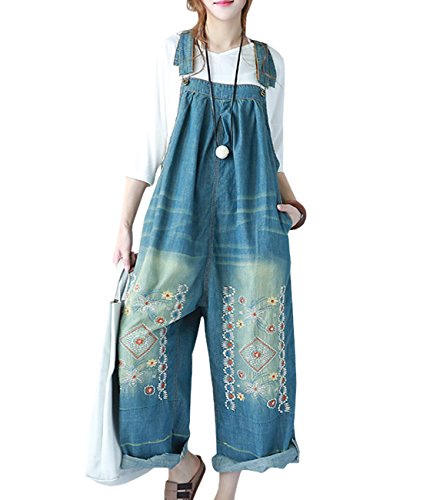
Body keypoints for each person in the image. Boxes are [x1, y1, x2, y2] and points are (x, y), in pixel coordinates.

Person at [113, 1, 306, 498]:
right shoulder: (172, 54)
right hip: (176, 222)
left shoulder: (269, 64)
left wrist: (294, 208)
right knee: (140, 345)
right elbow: (146, 146)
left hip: (251, 229)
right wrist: (124, 225)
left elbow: (273, 155)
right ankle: (182, 467)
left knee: (251, 352)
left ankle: (227, 492)